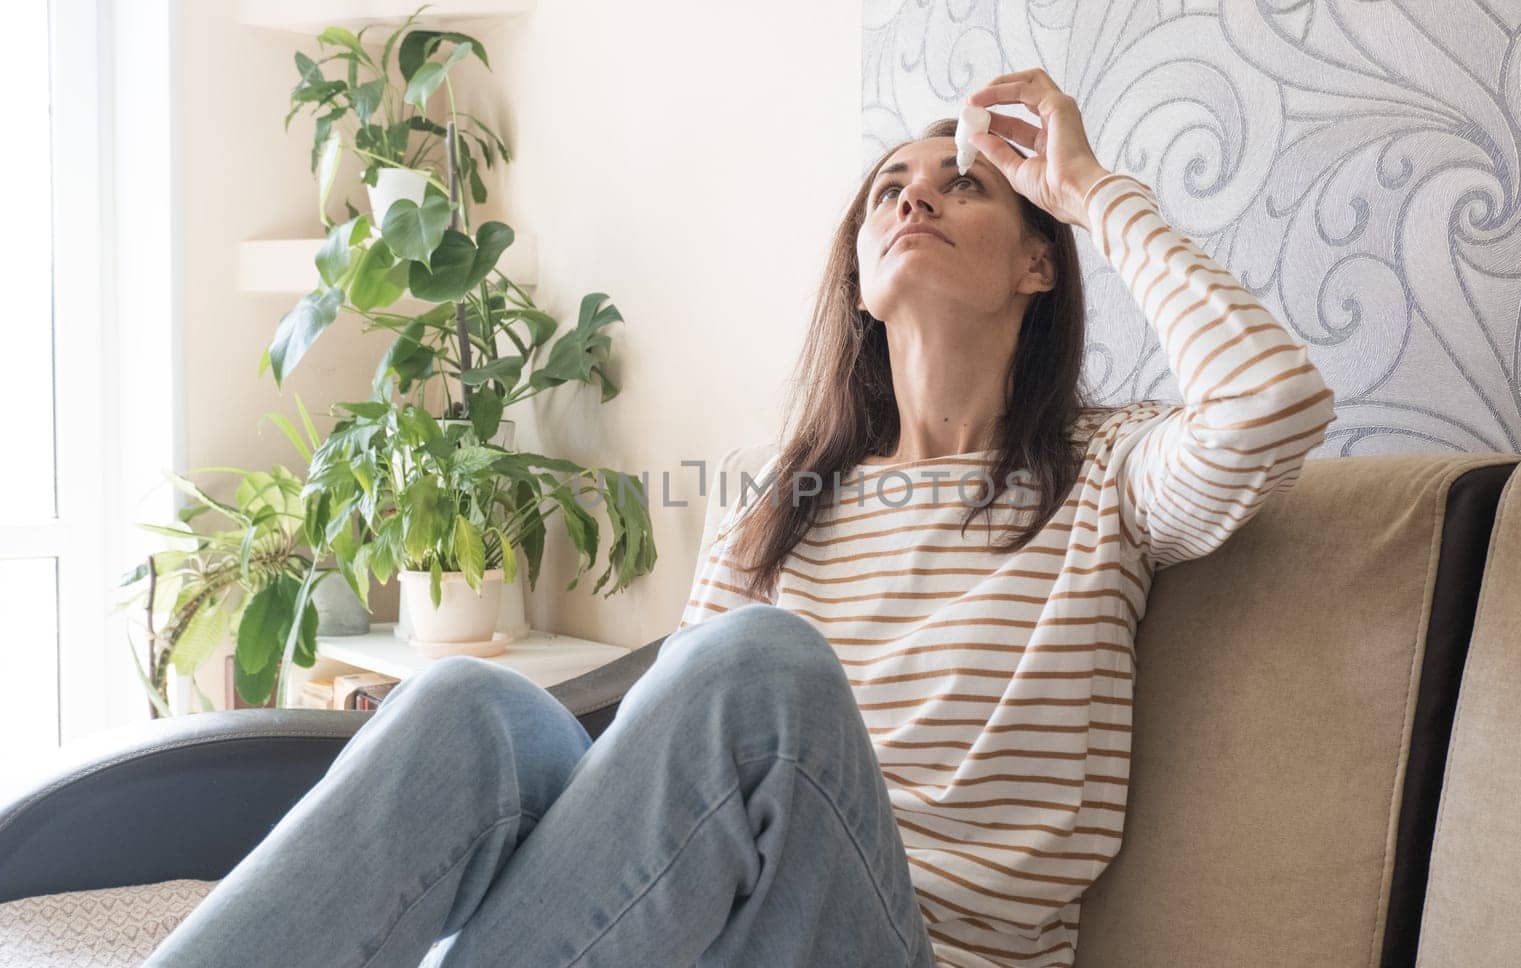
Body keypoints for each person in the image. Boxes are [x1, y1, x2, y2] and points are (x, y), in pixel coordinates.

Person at [147, 67, 1335, 968]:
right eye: (890, 190)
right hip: (730, 930)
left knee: (758, 664)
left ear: (1037, 263)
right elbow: (655, 794)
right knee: (470, 705)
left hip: (910, 944)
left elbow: (1273, 402)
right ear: (861, 279)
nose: (913, 194)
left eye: (960, 184)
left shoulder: (1107, 472)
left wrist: (1085, 189)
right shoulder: (782, 498)